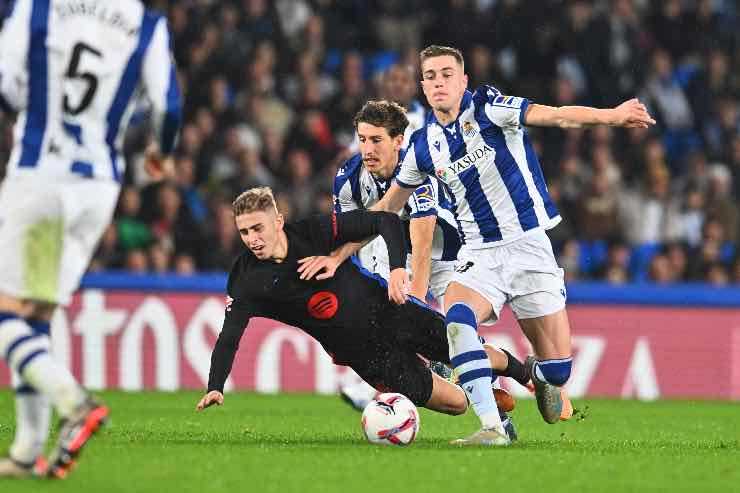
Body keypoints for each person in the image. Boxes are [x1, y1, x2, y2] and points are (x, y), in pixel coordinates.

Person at [301, 45, 655, 445]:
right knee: (456, 319)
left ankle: (538, 375)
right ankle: (492, 428)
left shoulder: (489, 108)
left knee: (558, 369)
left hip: (528, 245)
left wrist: (613, 115)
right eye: (431, 76)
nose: (439, 82)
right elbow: (383, 211)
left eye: (446, 74)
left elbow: (555, 116)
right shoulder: (422, 145)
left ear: (463, 80)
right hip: (478, 254)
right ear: (422, 85)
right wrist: (338, 255)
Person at [0, 0, 182, 478]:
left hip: (40, 173)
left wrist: (36, 107)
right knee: (35, 313)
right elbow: (168, 105)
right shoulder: (147, 24)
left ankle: (75, 402)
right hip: (98, 187)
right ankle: (26, 450)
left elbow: (5, 81)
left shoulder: (37, 8)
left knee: (5, 312)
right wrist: (161, 153)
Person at [195, 187, 529, 445]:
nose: (252, 240)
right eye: (244, 233)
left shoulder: (314, 233)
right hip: (365, 353)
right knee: (456, 404)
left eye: (258, 228)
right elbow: (230, 334)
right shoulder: (247, 278)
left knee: (465, 348)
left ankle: (526, 373)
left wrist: (398, 269)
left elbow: (384, 220)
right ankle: (465, 384)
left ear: (278, 221)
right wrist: (215, 385)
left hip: (392, 311)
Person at [327, 100, 523, 415]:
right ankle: (487, 401)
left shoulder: (417, 169)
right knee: (388, 329)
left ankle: (507, 375)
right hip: (390, 246)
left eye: (376, 140)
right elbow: (346, 240)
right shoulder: (348, 177)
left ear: (398, 141)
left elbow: (423, 243)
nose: (368, 149)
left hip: (446, 251)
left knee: (455, 338)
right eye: (362, 139)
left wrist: (414, 315)